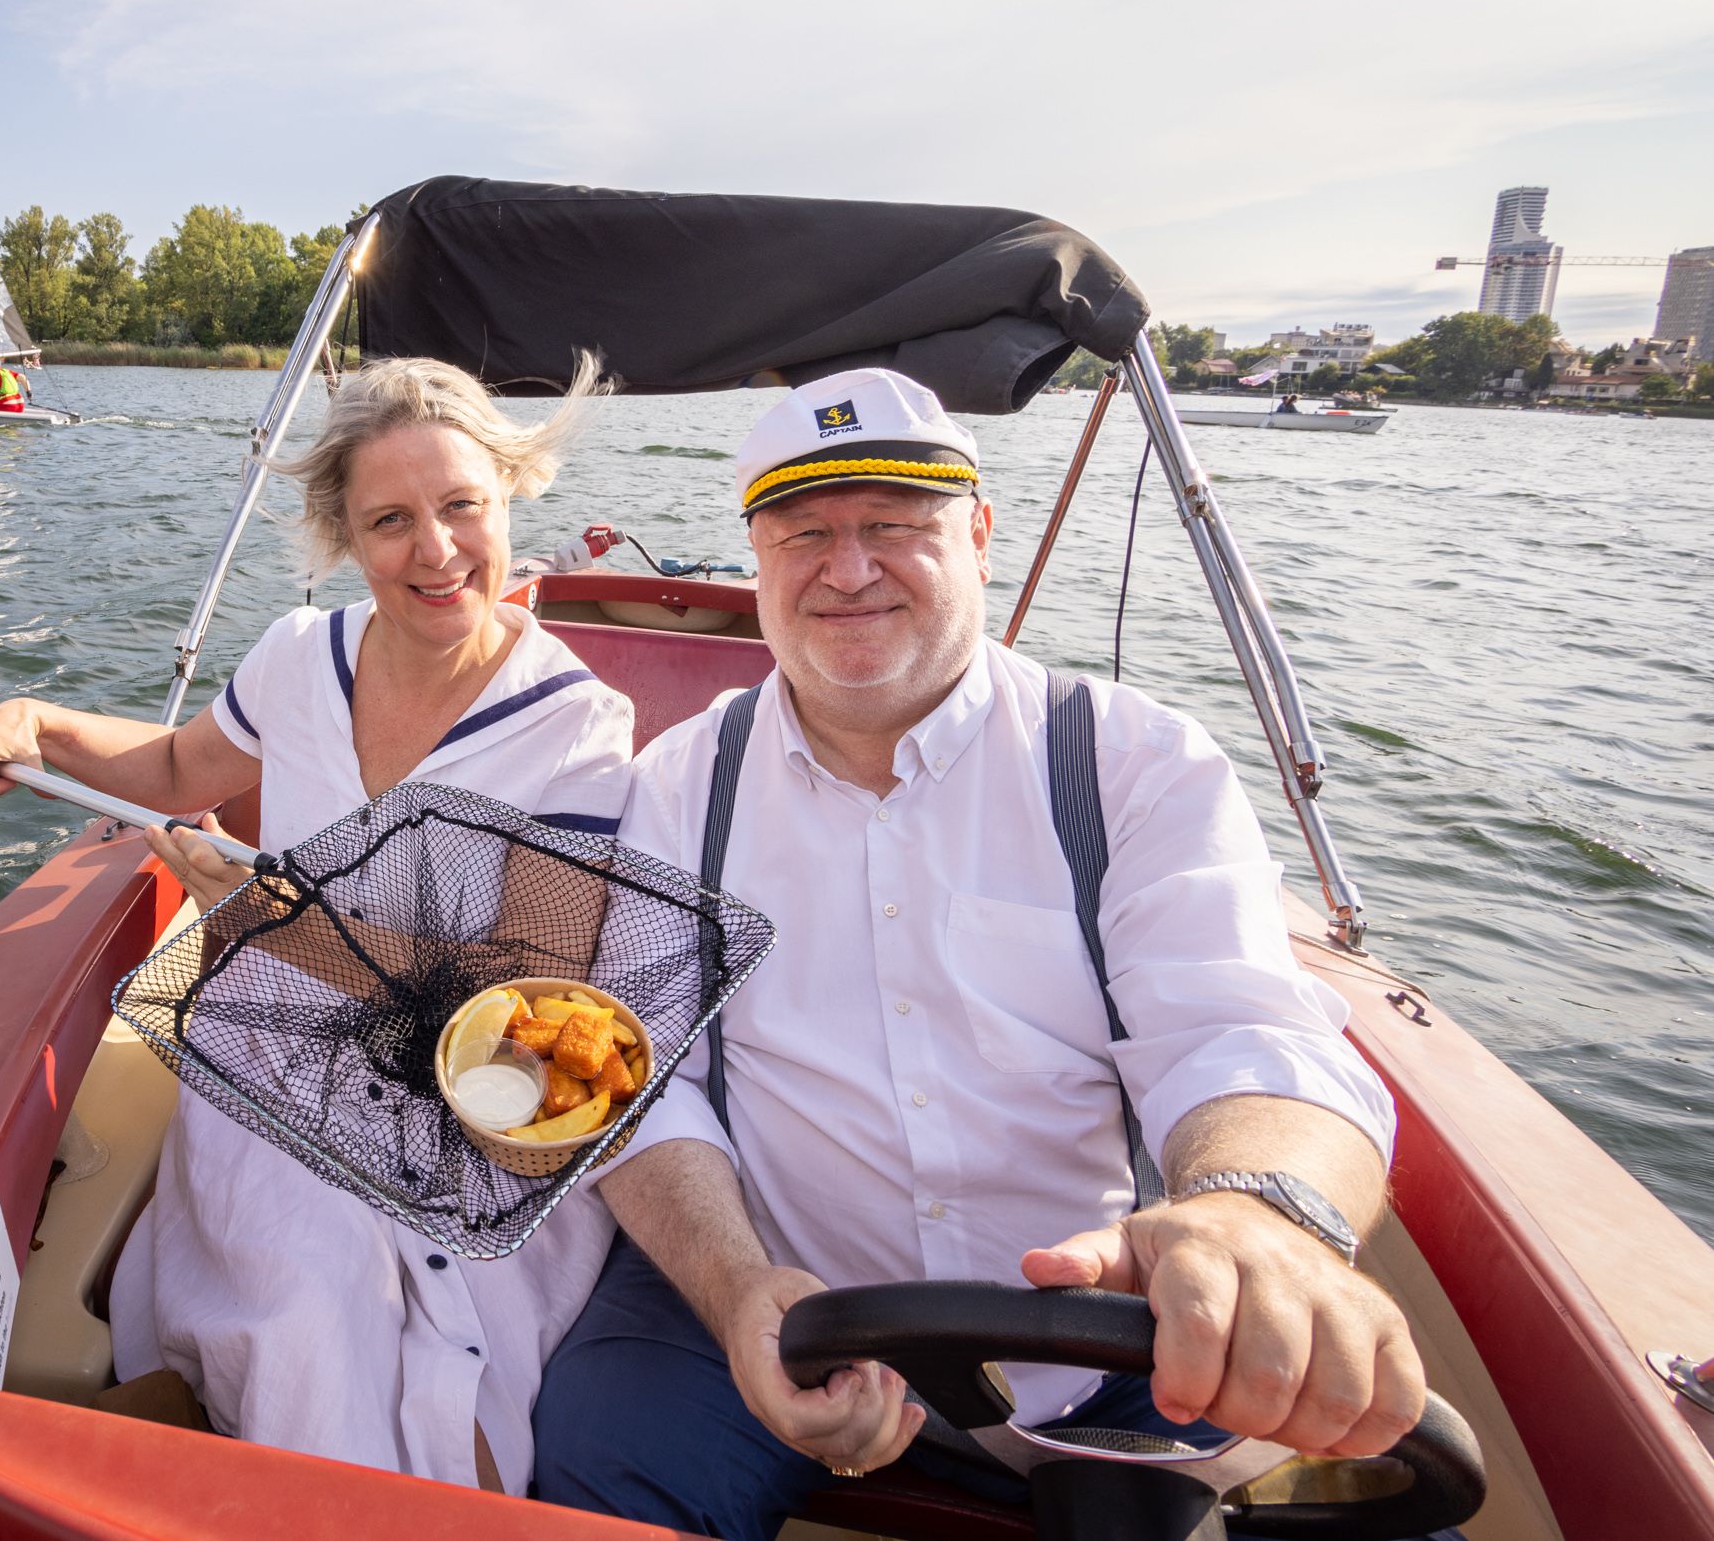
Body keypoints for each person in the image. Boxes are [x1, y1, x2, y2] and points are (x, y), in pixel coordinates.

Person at [532, 368, 1431, 1540]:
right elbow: (644, 1081)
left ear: (980, 535)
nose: (846, 568)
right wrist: (735, 1282)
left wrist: (1248, 1212)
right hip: (767, 1293)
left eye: (894, 526)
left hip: (1112, 1336)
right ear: (756, 559)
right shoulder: (680, 784)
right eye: (802, 533)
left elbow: (1239, 1033)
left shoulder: (1131, 762)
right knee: (593, 1468)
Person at [0, 355, 631, 1496]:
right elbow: (173, 765)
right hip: (273, 1055)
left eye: (464, 505)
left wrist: (272, 920)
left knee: (414, 1354)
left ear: (511, 494)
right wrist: (42, 718)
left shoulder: (578, 726)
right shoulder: (301, 654)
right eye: (391, 519)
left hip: (481, 1100)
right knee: (304, 1306)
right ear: (343, 534)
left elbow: (530, 991)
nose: (438, 548)